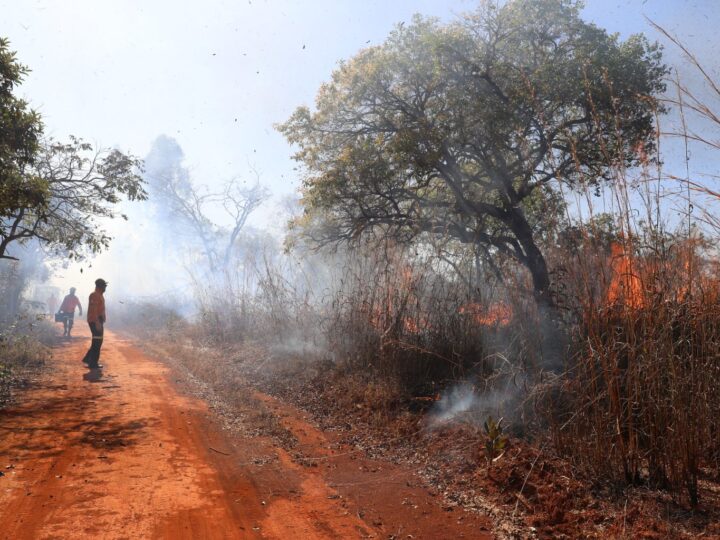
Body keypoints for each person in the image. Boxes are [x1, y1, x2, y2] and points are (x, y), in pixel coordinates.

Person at [82, 279, 107, 369]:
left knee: (97, 341)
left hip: (97, 320)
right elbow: (94, 310)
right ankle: (93, 363)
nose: (105, 288)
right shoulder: (94, 295)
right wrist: (97, 322)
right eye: (104, 286)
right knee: (97, 342)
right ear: (100, 286)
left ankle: (88, 359)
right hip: (94, 320)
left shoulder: (99, 295)